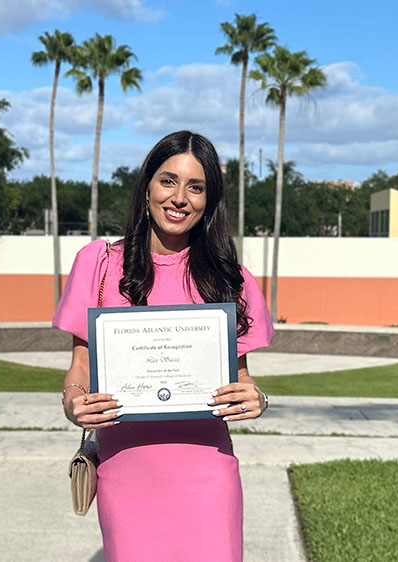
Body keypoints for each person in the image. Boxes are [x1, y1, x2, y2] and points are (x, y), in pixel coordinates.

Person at [53, 131, 274, 560]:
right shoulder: (98, 263)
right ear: (147, 186)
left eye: (196, 187)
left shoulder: (231, 279)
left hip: (207, 474)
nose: (179, 198)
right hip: (126, 470)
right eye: (168, 181)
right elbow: (80, 368)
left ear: (210, 200)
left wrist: (256, 399)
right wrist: (74, 402)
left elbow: (242, 380)